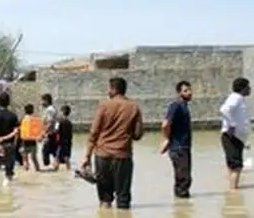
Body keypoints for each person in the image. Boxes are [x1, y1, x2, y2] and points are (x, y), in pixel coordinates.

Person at [81, 77, 144, 209]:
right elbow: (137, 135)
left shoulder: (104, 106)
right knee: (123, 199)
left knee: (105, 200)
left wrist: (87, 157)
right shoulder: (134, 107)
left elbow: (94, 133)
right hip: (123, 156)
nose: (107, 92)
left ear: (114, 89)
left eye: (109, 89)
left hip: (102, 156)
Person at [159, 80, 194, 198]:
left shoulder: (184, 106)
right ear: (179, 93)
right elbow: (165, 124)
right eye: (185, 91)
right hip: (178, 147)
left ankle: (181, 207)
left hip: (184, 147)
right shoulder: (176, 106)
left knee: (183, 178)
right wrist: (166, 139)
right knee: (184, 179)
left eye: (190, 90)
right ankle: (182, 208)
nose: (189, 93)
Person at [219, 77, 252, 191]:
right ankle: (233, 193)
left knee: (233, 166)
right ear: (243, 88)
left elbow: (241, 120)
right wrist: (232, 124)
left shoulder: (240, 99)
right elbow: (224, 110)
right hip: (231, 137)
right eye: (248, 87)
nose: (250, 89)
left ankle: (232, 190)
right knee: (236, 166)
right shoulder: (235, 98)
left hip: (237, 138)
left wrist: (244, 141)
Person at [19, 103, 44, 171]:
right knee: (34, 159)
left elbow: (19, 131)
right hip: (33, 143)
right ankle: (38, 171)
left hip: (24, 143)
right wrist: (40, 138)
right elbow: (40, 131)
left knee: (25, 159)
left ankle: (26, 172)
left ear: (25, 110)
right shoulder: (36, 120)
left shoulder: (22, 119)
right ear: (32, 110)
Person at [39, 93, 59, 168]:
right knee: (53, 152)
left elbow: (50, 123)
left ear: (46, 101)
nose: (41, 103)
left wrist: (43, 134)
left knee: (45, 153)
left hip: (49, 134)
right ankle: (57, 169)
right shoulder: (52, 109)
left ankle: (48, 171)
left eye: (42, 101)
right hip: (52, 134)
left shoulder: (49, 110)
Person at [54, 105, 74, 171]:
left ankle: (55, 170)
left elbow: (56, 130)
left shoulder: (59, 121)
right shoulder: (70, 123)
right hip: (68, 143)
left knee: (57, 158)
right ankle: (69, 170)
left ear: (62, 112)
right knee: (67, 157)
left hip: (60, 143)